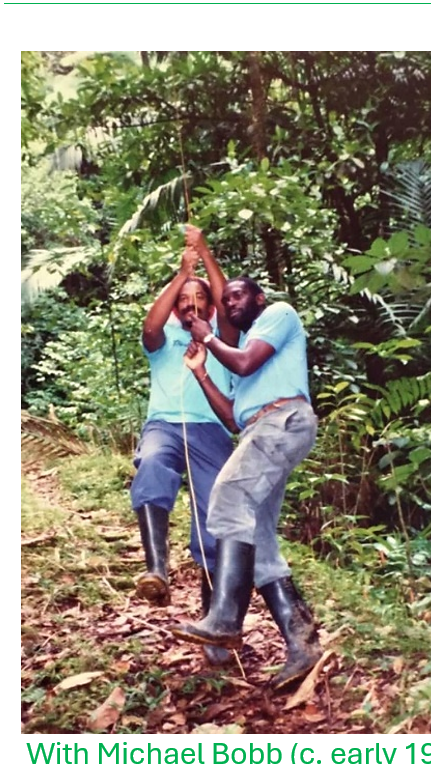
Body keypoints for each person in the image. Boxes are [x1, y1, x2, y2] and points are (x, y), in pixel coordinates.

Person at [171, 276, 323, 690]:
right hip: (259, 428)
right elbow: (233, 417)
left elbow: (244, 363)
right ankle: (303, 645)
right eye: (226, 300)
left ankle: (224, 618)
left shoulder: (278, 314)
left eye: (237, 296)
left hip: (282, 420)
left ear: (259, 297)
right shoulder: (242, 346)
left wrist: (208, 336)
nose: (230, 303)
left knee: (228, 495)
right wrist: (201, 372)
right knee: (259, 540)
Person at [130, 226, 238, 665]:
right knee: (152, 465)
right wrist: (182, 274)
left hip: (211, 432)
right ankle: (157, 569)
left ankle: (214, 626)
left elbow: (227, 302)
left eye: (199, 300)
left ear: (211, 308)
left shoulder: (223, 339)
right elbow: (150, 325)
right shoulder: (164, 341)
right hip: (164, 425)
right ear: (176, 309)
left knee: (216, 520)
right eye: (184, 302)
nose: (192, 306)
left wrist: (205, 254)